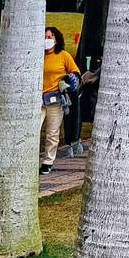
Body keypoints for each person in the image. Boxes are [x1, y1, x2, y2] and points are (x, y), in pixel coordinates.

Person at [40, 26, 81, 173]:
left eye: (49, 37)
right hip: (37, 100)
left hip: (55, 100)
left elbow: (76, 73)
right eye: (44, 37)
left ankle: (48, 161)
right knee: (33, 130)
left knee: (52, 132)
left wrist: (69, 82)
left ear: (56, 40)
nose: (47, 40)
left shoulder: (63, 55)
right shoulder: (38, 55)